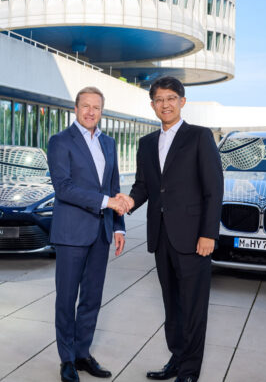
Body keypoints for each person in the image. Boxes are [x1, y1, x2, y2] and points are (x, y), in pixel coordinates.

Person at [118, 77, 223, 382]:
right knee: (172, 305)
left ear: (182, 101)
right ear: (152, 105)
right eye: (159, 100)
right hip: (162, 236)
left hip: (193, 238)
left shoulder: (200, 137)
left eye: (170, 98)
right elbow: (144, 186)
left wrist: (209, 234)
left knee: (193, 307)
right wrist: (128, 201)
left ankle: (189, 372)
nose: (165, 104)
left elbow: (213, 190)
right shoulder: (146, 143)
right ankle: (176, 361)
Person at [47, 86, 129, 382]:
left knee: (92, 298)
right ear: (76, 108)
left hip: (101, 232)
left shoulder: (108, 143)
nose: (91, 111)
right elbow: (64, 187)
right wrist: (107, 202)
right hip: (71, 232)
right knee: (67, 299)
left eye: (96, 107)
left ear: (101, 112)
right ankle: (66, 359)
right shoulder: (60, 142)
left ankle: (83, 354)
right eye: (86, 106)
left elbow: (113, 184)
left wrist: (118, 225)